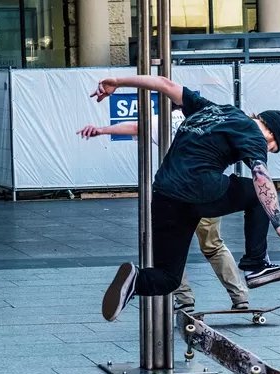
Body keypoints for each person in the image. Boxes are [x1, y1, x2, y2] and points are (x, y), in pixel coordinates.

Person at [87, 75, 280, 322]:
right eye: (272, 148)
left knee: (168, 278)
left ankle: (135, 280)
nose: (267, 150)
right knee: (257, 196)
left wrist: (118, 82)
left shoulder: (211, 109)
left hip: (164, 193)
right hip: (200, 187)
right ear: (271, 135)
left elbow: (165, 84)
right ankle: (256, 265)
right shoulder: (254, 133)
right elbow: (261, 177)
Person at [76, 103, 255, 312]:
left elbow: (135, 128)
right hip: (208, 193)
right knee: (214, 246)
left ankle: (185, 299)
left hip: (175, 195)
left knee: (173, 253)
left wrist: (101, 130)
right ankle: (240, 296)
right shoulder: (206, 120)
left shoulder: (162, 121)